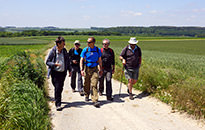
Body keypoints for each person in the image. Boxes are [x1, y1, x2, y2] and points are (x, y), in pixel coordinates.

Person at [46, 36, 71, 110]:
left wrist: (70, 70)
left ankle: (58, 101)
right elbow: (47, 62)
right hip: (55, 73)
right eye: (63, 43)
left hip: (63, 73)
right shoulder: (53, 51)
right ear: (58, 44)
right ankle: (58, 103)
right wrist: (54, 64)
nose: (64, 44)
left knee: (59, 88)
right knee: (57, 87)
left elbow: (67, 61)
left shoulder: (64, 51)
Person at [80, 37, 103, 107]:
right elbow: (81, 60)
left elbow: (99, 60)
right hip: (87, 68)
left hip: (95, 68)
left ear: (93, 43)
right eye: (87, 42)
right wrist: (81, 69)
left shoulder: (97, 50)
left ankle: (95, 100)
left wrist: (100, 69)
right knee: (86, 83)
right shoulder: (85, 50)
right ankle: (86, 94)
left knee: (94, 84)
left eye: (89, 42)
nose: (87, 43)